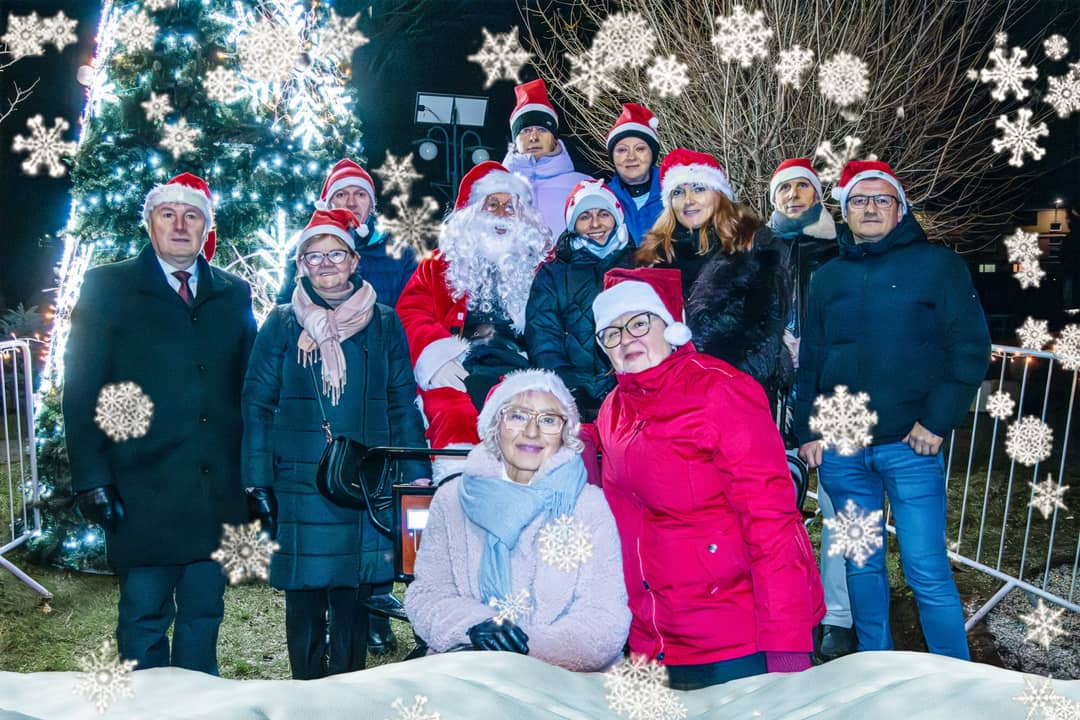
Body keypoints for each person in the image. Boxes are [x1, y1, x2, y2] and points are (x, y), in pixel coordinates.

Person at [592, 267, 824, 691]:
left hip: (732, 634)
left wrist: (786, 643)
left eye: (639, 323)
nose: (625, 339)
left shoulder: (720, 392)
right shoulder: (614, 409)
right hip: (654, 638)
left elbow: (771, 520)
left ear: (670, 325)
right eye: (611, 332)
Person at [795, 160, 991, 661]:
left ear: (900, 210)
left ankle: (954, 675)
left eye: (882, 199)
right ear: (845, 212)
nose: (871, 208)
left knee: (927, 569)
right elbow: (812, 359)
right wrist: (808, 430)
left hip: (910, 446)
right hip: (843, 453)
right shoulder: (827, 278)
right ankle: (875, 665)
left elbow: (969, 348)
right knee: (861, 565)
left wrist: (938, 420)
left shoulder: (938, 266)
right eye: (859, 200)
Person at [64, 173, 257, 674]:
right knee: (143, 615)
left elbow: (250, 386)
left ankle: (197, 699)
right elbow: (82, 386)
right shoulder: (109, 286)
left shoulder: (232, 293)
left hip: (215, 486)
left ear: (205, 229)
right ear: (150, 224)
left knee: (204, 612)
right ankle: (145, 704)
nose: (180, 225)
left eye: (192, 216)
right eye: (167, 214)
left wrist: (255, 474)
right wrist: (91, 478)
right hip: (140, 486)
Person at [242, 208, 429, 679]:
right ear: (301, 265)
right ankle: (306, 690)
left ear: (353, 261)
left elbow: (402, 401)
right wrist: (257, 479)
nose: (326, 264)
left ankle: (348, 692)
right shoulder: (282, 323)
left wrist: (415, 476)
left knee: (352, 596)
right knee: (304, 597)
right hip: (300, 480)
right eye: (314, 256)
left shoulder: (383, 322)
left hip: (365, 481)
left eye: (336, 254)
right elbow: (257, 404)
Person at [405, 370, 630, 671]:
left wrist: (523, 646)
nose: (532, 432)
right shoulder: (452, 500)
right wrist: (475, 627)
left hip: (563, 679)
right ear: (494, 425)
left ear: (565, 434)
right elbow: (427, 595)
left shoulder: (589, 506)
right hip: (465, 667)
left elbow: (605, 618)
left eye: (548, 420)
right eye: (518, 416)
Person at [396, 161, 553, 455]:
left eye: (510, 206)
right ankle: (454, 481)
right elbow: (411, 312)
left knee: (530, 425)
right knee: (453, 414)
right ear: (472, 213)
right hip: (459, 369)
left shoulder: (540, 267)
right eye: (492, 205)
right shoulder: (439, 265)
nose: (501, 214)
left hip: (522, 371)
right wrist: (436, 359)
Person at [766, 158, 852, 661]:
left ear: (818, 194)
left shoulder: (841, 246)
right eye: (785, 189)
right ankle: (788, 606)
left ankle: (838, 617)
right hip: (773, 395)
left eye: (803, 186)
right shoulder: (759, 248)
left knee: (840, 506)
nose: (794, 195)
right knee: (778, 508)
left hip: (832, 392)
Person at [638, 148, 794, 402]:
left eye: (699, 188)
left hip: (739, 392)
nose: (688, 200)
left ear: (719, 194)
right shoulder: (652, 259)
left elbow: (765, 332)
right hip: (671, 396)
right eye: (678, 192)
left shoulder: (757, 249)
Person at [525, 180, 634, 423]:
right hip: (571, 399)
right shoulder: (553, 273)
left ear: (617, 217)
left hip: (632, 393)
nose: (595, 224)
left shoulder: (640, 264)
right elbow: (542, 337)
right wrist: (570, 384)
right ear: (572, 224)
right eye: (584, 217)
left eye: (603, 214)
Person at [275, 159, 418, 309]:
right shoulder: (304, 251)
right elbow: (285, 308)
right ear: (328, 204)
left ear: (371, 204)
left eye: (360, 194)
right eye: (341, 195)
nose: (351, 203)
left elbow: (412, 311)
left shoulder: (402, 254)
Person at [502, 79, 591, 239]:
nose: (534, 137)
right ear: (515, 141)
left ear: (554, 139)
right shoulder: (493, 187)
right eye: (526, 130)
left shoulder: (584, 186)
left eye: (542, 130)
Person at [605, 103, 664, 245]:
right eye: (622, 150)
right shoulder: (603, 198)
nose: (631, 157)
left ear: (652, 153)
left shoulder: (674, 192)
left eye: (640, 149)